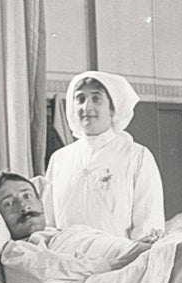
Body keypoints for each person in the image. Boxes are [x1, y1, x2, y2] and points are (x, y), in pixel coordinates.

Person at [0, 172, 153, 283]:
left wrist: (138, 246)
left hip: (142, 252)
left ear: (40, 202)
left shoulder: (70, 231)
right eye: (9, 203)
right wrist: (118, 261)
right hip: (133, 266)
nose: (23, 206)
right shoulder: (16, 251)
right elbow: (42, 275)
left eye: (27, 195)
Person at [41, 70, 165, 241]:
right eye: (80, 99)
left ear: (113, 109)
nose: (87, 107)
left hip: (119, 260)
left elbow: (148, 221)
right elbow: (49, 220)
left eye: (96, 98)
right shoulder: (59, 159)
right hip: (67, 259)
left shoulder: (137, 156)